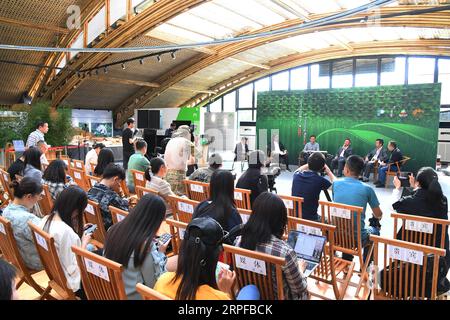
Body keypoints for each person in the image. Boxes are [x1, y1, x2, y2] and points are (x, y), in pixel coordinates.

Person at [235, 192, 309, 300]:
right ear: (280, 220)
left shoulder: (239, 242)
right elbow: (299, 289)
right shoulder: (285, 252)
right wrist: (301, 270)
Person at [104, 194, 169, 300]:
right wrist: (161, 253)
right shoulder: (145, 245)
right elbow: (153, 284)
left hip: (114, 292)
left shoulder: (113, 230)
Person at [154, 217, 236, 300]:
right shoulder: (218, 297)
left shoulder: (162, 281)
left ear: (183, 250)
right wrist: (224, 292)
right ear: (213, 258)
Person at [392, 167, 450, 273]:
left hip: (410, 261)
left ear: (418, 182)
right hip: (437, 263)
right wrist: (416, 188)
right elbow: (423, 202)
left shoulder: (409, 202)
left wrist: (397, 188)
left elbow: (394, 207)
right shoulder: (443, 200)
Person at [39, 186, 91, 299]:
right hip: (73, 285)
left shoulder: (46, 219)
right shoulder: (66, 232)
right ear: (76, 209)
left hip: (57, 276)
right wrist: (84, 243)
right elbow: (74, 269)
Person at [332, 155, 383, 263]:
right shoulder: (367, 189)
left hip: (335, 235)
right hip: (356, 239)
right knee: (375, 230)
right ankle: (365, 267)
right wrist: (377, 218)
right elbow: (378, 214)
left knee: (346, 224)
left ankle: (347, 263)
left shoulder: (335, 184)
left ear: (346, 169)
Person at [1, 178, 43, 271]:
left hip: (17, 258)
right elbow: (45, 242)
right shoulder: (28, 219)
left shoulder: (6, 210)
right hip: (34, 261)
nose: (40, 199)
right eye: (39, 196)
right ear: (29, 197)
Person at [193, 170, 242, 238]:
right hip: (221, 248)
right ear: (230, 187)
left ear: (212, 185)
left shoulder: (201, 206)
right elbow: (237, 239)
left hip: (196, 247)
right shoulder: (231, 212)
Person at [292, 152, 336, 221]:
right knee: (329, 221)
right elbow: (337, 186)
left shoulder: (297, 175)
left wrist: (310, 163)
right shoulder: (320, 180)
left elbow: (298, 170)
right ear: (322, 167)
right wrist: (329, 172)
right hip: (311, 220)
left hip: (295, 218)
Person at [87, 164, 129, 231]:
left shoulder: (90, 190)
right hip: (110, 233)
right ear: (115, 179)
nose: (119, 185)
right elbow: (127, 213)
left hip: (94, 229)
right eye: (119, 182)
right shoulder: (112, 196)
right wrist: (121, 196)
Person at [164, 125, 194, 196]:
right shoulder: (189, 143)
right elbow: (192, 161)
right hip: (178, 177)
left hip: (166, 174)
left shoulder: (170, 141)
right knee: (179, 199)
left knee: (169, 198)